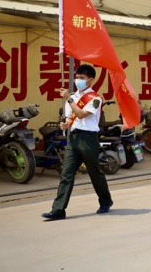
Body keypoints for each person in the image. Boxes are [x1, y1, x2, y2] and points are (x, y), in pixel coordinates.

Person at [41, 64, 113, 221]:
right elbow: (70, 117)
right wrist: (65, 124)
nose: (78, 81)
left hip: (88, 139)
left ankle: (106, 201)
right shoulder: (73, 96)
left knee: (95, 173)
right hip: (73, 138)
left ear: (90, 80)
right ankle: (58, 209)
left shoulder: (95, 99)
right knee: (66, 174)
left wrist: (69, 98)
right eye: (77, 78)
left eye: (82, 78)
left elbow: (80, 114)